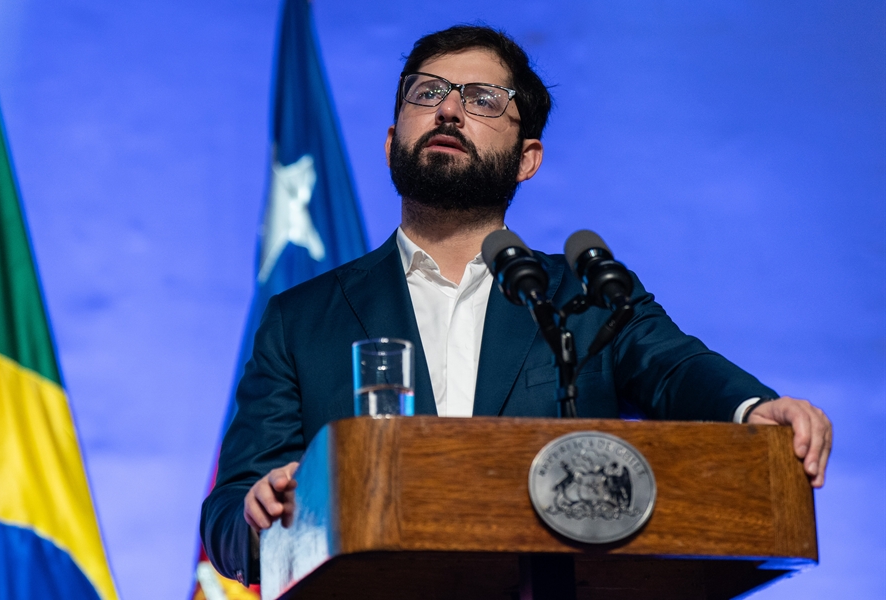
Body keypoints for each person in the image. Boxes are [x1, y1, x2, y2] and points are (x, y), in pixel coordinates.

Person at [200, 24, 832, 584]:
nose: (449, 110)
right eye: (428, 92)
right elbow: (226, 519)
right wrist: (262, 512)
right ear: (393, 140)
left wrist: (753, 408)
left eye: (482, 100)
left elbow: (673, 368)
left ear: (527, 159)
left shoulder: (582, 298)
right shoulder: (301, 318)